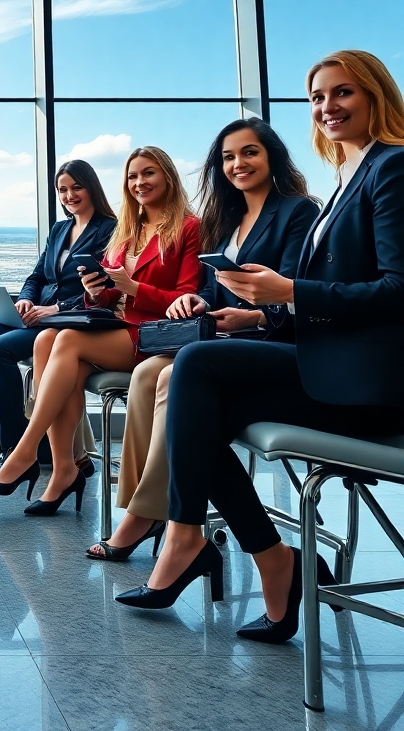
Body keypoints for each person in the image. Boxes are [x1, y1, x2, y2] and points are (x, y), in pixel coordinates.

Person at [117, 50, 404, 644]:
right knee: (196, 405)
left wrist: (288, 292)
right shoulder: (348, 179)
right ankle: (268, 558)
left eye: (343, 93)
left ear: (376, 95)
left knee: (193, 372)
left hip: (367, 384)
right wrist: (273, 298)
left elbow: (398, 290)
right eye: (318, 97)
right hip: (326, 362)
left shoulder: (393, 168)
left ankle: (192, 537)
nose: (328, 107)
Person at [88, 120, 319, 561]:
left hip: (265, 338)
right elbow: (212, 290)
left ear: (272, 156)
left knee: (172, 376)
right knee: (147, 374)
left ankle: (149, 512)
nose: (238, 164)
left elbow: (294, 289)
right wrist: (194, 300)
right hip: (220, 334)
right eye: (229, 157)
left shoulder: (296, 210)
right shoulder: (224, 220)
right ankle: (146, 505)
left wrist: (250, 315)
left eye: (249, 153)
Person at [0, 146, 201, 517]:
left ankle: (25, 452)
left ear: (168, 177)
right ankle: (65, 468)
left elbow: (185, 299)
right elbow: (106, 294)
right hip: (116, 325)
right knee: (49, 340)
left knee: (61, 338)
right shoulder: (128, 229)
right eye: (132, 176)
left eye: (148, 173)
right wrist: (98, 291)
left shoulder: (188, 228)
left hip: (153, 332)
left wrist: (131, 289)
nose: (139, 182)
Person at [0, 160, 116, 471]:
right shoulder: (60, 229)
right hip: (39, 316)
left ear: (92, 188)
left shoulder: (109, 230)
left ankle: (14, 450)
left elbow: (106, 287)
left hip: (69, 323)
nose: (69, 195)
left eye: (76, 187)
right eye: (62, 190)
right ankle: (3, 431)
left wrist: (56, 309)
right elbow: (36, 277)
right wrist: (27, 301)